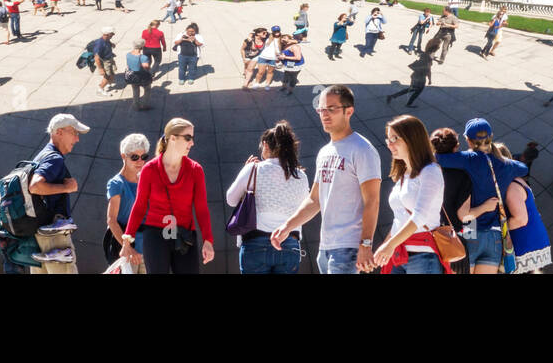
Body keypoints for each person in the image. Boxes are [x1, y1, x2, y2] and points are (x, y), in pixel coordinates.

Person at [272, 84, 381, 274]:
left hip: (349, 246)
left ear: (349, 111)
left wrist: (365, 244)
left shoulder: (362, 149)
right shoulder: (325, 152)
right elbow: (315, 199)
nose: (325, 114)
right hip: (325, 248)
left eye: (331, 109)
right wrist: (287, 226)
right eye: (321, 109)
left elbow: (372, 200)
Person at [434, 118, 530, 274]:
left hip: (471, 230)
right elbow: (523, 168)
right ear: (491, 137)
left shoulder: (468, 159)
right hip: (495, 236)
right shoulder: (507, 165)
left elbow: (438, 158)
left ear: (468, 140)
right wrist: (504, 160)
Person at [120, 118, 215, 274]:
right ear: (172, 138)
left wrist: (208, 241)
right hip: (155, 235)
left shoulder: (195, 170)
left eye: (192, 138)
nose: (192, 143)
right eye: (188, 138)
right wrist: (127, 240)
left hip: (185, 236)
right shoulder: (149, 170)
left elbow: (201, 209)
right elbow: (139, 206)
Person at [226, 121, 310, 274]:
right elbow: (306, 209)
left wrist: (246, 170)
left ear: (265, 145)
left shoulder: (253, 169)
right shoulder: (301, 176)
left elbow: (231, 199)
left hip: (255, 242)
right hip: (290, 244)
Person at [374, 114, 449, 274]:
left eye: (395, 138)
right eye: (388, 139)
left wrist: (390, 244)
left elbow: (419, 216)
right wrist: (386, 246)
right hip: (399, 254)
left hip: (423, 254)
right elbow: (399, 218)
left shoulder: (430, 171)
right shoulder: (403, 175)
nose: (389, 144)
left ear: (412, 138)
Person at [25, 113, 89, 270]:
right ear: (59, 132)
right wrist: (68, 187)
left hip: (38, 233)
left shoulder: (42, 155)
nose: (77, 139)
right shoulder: (54, 158)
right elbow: (35, 186)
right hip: (54, 235)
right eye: (74, 133)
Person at [494, 142, 553, 273]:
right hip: (533, 243)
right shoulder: (517, 180)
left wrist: (496, 230)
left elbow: (520, 219)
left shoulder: (511, 186)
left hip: (526, 246)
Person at [105, 133, 151, 272]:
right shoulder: (116, 183)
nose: (140, 161)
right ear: (123, 156)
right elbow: (111, 220)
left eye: (143, 157)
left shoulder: (147, 179)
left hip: (147, 246)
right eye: (134, 157)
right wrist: (128, 248)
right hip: (124, 247)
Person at [429, 127, 471, 275]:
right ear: (456, 147)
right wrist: (471, 237)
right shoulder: (462, 175)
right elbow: (465, 215)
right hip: (452, 238)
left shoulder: (424, 172)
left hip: (427, 236)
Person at [385, 40, 438, 108]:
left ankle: (392, 96)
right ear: (434, 49)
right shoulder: (429, 57)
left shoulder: (424, 54)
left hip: (415, 75)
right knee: (418, 91)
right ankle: (408, 103)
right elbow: (428, 70)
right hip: (420, 77)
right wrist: (430, 79)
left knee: (412, 89)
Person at [125, 41, 153, 111]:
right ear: (142, 47)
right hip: (142, 76)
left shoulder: (128, 54)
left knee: (135, 90)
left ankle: (136, 106)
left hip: (132, 76)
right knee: (147, 89)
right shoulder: (143, 57)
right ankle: (145, 105)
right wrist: (150, 71)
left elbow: (128, 65)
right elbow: (146, 67)